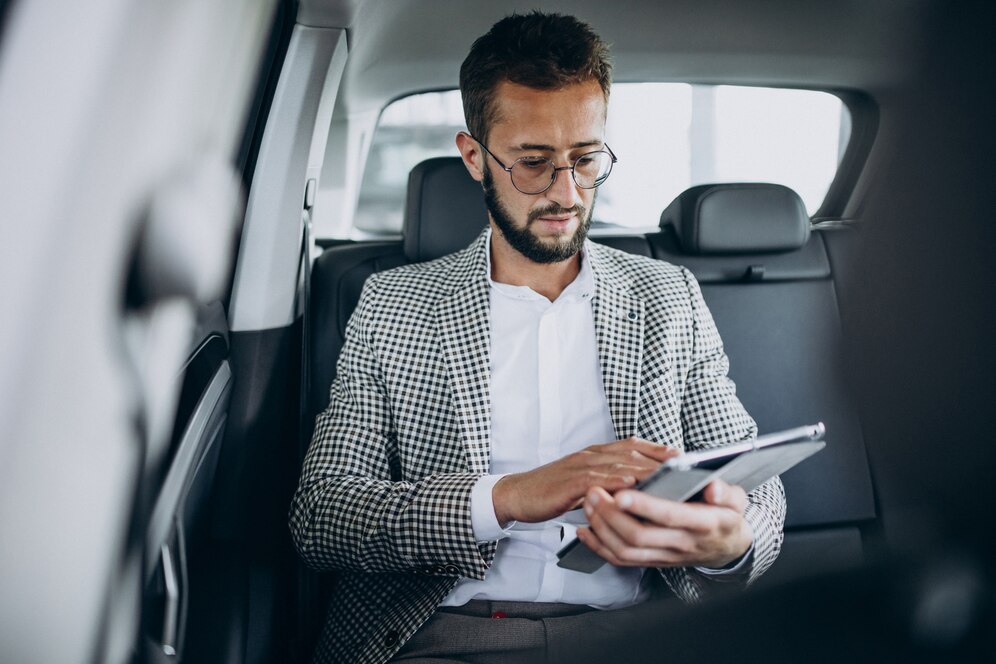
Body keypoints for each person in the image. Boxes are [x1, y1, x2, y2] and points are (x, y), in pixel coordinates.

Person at [290, 12, 785, 664]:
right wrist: (508, 497)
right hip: (446, 638)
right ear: (475, 157)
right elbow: (322, 516)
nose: (567, 192)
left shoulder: (667, 297)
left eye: (585, 160)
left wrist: (733, 541)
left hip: (643, 635)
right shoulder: (395, 306)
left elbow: (756, 486)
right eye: (534, 163)